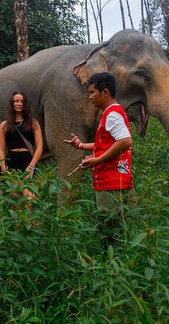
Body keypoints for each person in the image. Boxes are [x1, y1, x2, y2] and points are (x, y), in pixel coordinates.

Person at [64, 72, 134, 241]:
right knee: (121, 230)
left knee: (110, 233)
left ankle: (111, 265)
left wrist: (98, 160)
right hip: (119, 179)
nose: (90, 97)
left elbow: (125, 141)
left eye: (92, 92)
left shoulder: (111, 114)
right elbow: (110, 144)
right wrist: (82, 146)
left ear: (105, 92)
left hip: (110, 182)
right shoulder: (115, 112)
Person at [0, 91, 43, 200]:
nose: (19, 104)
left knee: (29, 200)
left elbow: (39, 147)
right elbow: (0, 149)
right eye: (16, 101)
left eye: (22, 101)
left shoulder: (33, 123)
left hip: (28, 160)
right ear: (12, 104)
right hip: (11, 161)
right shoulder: (4, 125)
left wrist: (31, 166)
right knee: (14, 200)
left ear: (25, 104)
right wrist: (3, 168)